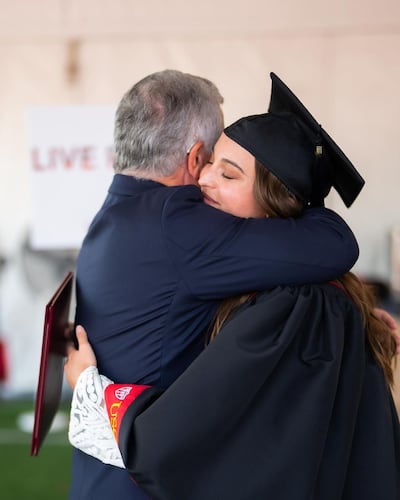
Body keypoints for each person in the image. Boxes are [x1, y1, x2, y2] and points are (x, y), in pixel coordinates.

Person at [66, 73, 400, 500]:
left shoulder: (117, 213)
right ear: (194, 155)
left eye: (227, 173)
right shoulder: (187, 227)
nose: (204, 180)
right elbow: (333, 246)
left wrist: (94, 394)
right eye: (209, 164)